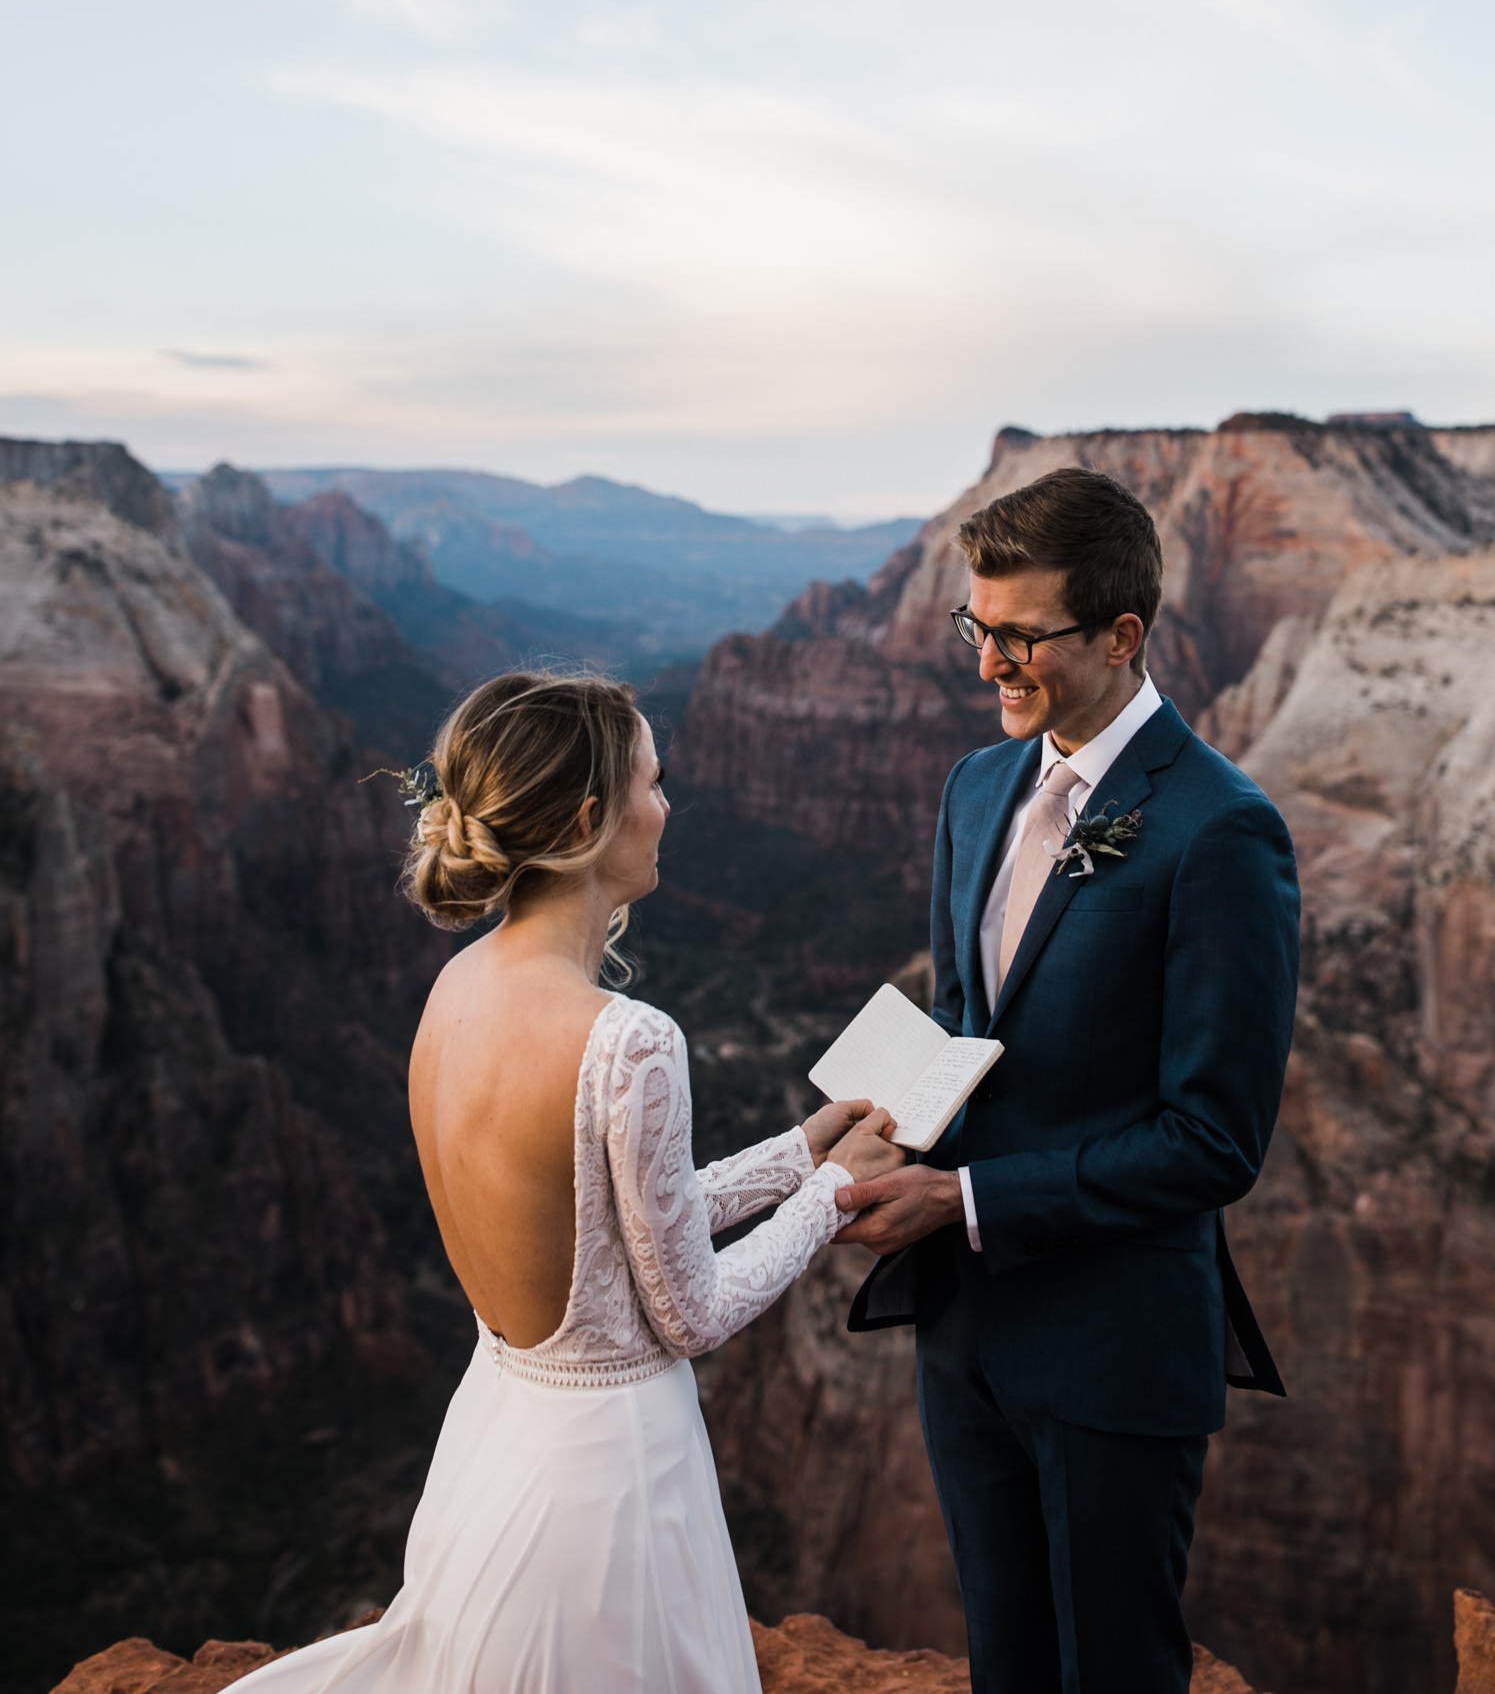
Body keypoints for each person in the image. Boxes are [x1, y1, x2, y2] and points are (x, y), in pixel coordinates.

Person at [236, 670, 901, 1694]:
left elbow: (616, 1225)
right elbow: (690, 1311)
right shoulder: (627, 1039)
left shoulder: (456, 986)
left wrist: (798, 1151)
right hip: (611, 1488)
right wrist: (832, 1198)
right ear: (592, 817)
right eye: (653, 780)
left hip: (499, 1444)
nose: (668, 805)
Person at [836, 468, 1300, 1694]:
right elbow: (964, 1021)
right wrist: (877, 1127)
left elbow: (1212, 1140)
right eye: (974, 627)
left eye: (1018, 635)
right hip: (965, 1335)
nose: (988, 660)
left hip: (1111, 1347)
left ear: (1119, 634)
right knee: (1007, 1663)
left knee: (1110, 1672)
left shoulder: (1219, 831)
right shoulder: (975, 787)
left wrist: (967, 1200)